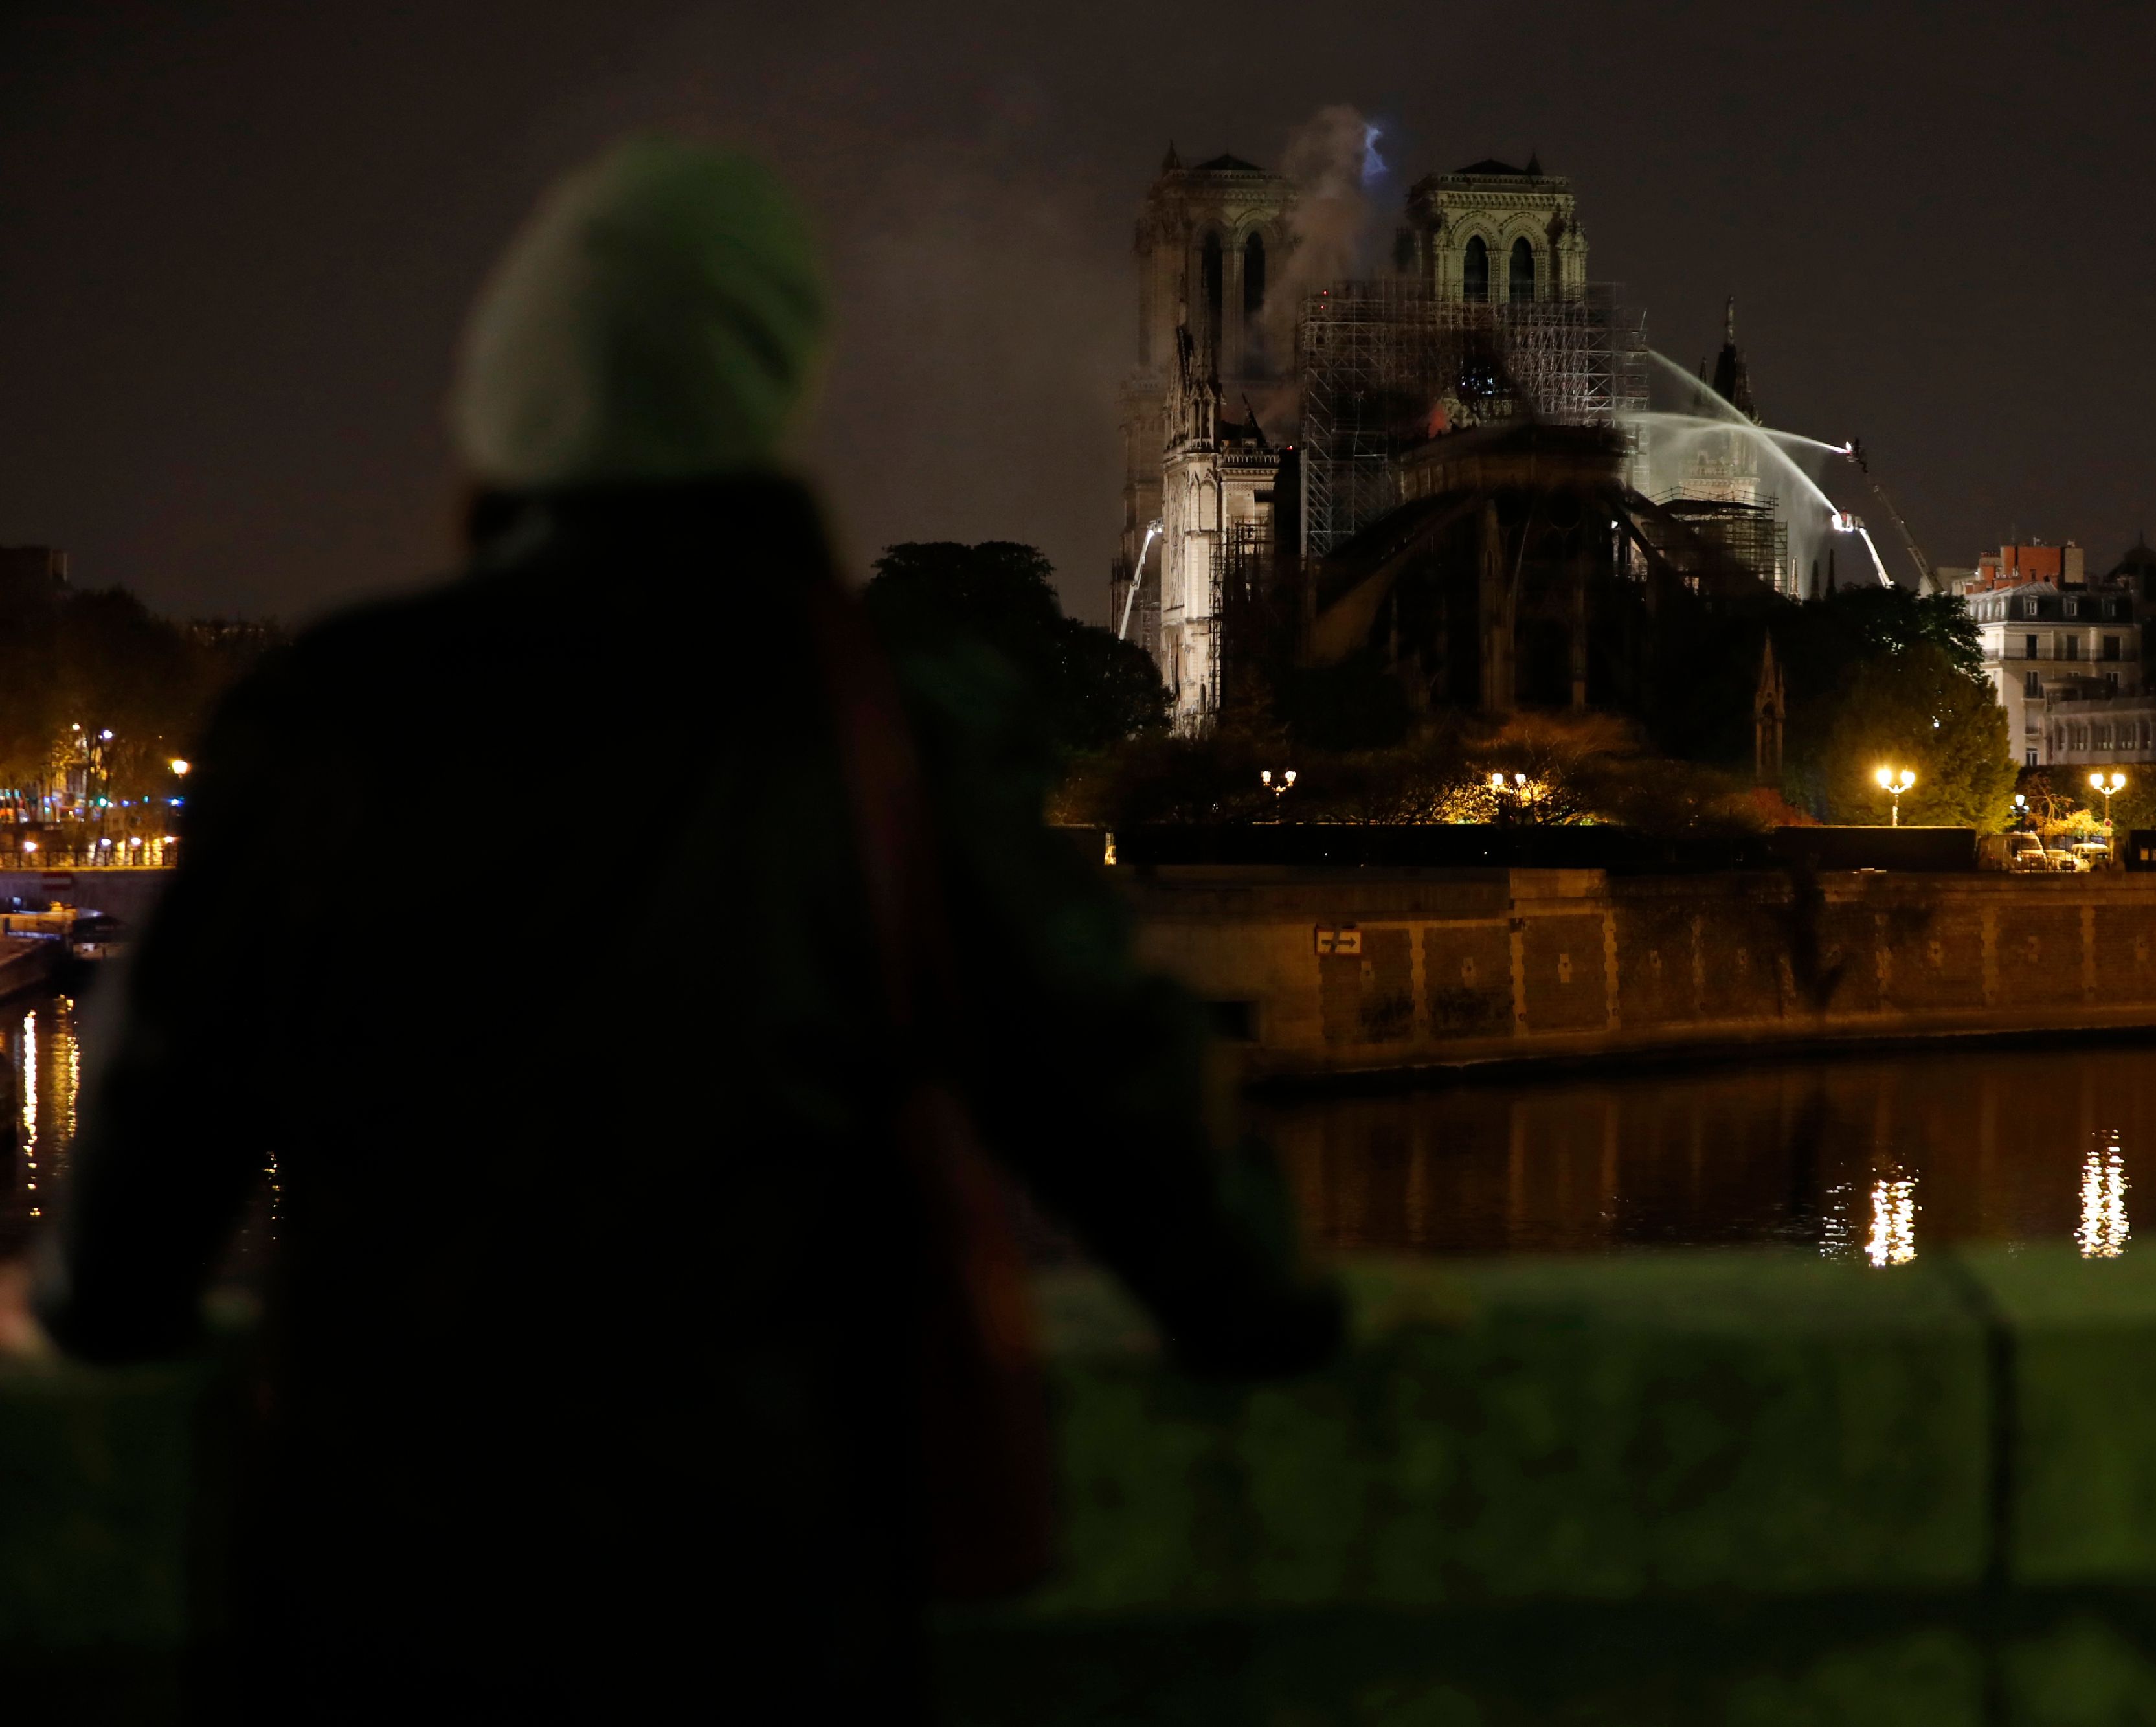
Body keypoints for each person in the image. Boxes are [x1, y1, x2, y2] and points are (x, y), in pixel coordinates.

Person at [4, 137, 1340, 1719]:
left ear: (507, 414)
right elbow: (1170, 1193)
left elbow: (122, 1263)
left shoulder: (320, 720)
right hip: (770, 1598)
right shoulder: (885, 727)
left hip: (383, 1594)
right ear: (763, 413)